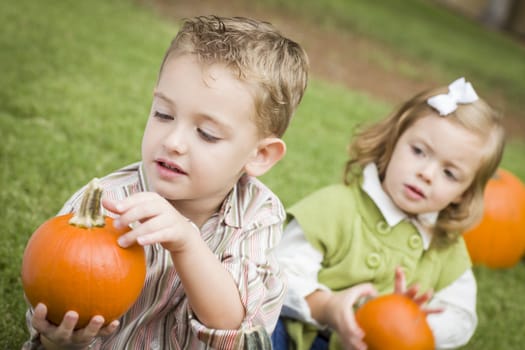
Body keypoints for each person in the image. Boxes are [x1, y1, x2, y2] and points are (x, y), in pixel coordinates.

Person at [22, 15, 309, 350]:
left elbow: (233, 326)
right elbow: (54, 310)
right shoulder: (104, 208)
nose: (173, 141)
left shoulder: (259, 213)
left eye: (207, 134)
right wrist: (61, 342)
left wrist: (187, 242)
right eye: (163, 114)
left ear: (259, 155)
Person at [271, 77, 506, 350]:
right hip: (306, 339)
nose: (426, 174)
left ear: (464, 193)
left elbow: (461, 317)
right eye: (418, 151)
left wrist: (410, 323)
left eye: (449, 173)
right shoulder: (335, 208)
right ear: (392, 142)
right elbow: (279, 277)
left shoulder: (447, 247)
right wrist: (328, 307)